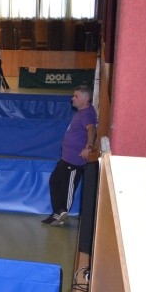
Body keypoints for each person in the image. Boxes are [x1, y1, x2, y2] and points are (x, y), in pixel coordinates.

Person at [43, 86, 98, 226]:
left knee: (68, 188)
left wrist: (88, 147)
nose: (72, 98)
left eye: (76, 96)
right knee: (54, 181)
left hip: (74, 161)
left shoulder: (86, 114)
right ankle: (58, 212)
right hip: (66, 158)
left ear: (86, 99)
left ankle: (63, 212)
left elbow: (92, 129)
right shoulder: (82, 112)